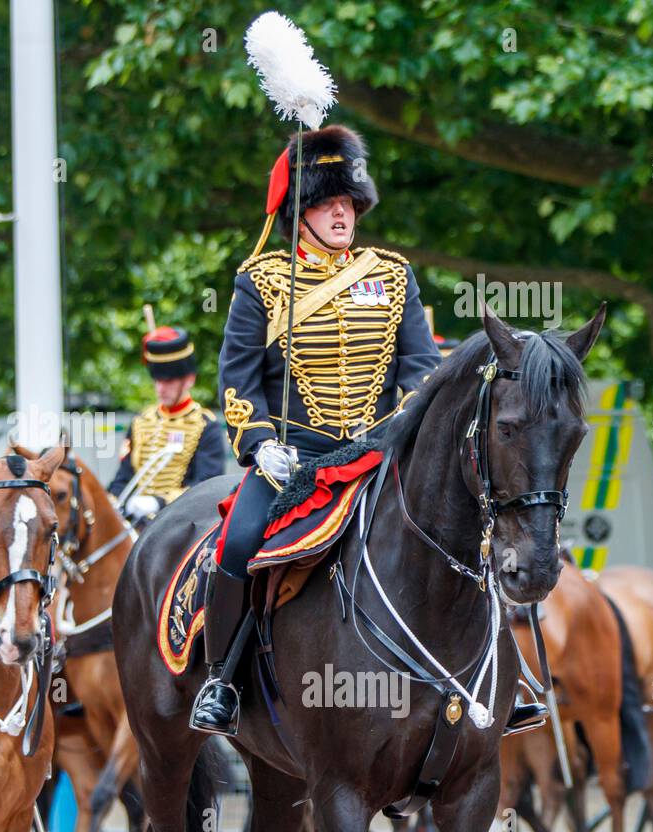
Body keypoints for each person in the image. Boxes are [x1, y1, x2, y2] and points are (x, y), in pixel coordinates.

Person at [192, 123, 469, 736]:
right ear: (301, 211)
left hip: (381, 451)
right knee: (234, 545)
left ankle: (498, 682)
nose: (341, 213)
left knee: (472, 530)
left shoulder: (393, 277)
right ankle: (220, 679)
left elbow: (422, 370)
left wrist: (406, 427)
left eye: (348, 202)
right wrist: (261, 444)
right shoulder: (261, 282)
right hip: (295, 460)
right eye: (325, 202)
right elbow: (238, 382)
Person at [108, 324, 225, 523]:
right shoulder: (140, 422)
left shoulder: (206, 425)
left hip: (180, 522)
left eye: (169, 381)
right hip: (134, 520)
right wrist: (112, 502)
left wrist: (159, 502)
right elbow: (123, 478)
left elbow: (205, 486)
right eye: (158, 380)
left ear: (189, 380)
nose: (161, 388)